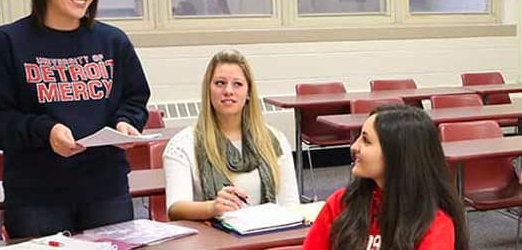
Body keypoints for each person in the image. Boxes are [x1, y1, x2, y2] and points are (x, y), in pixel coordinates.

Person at [0, 0, 151, 237]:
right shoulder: (6, 43)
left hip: (106, 189)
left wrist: (126, 123)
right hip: (37, 196)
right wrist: (46, 131)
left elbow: (135, 99)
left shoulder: (113, 41)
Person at [303, 105, 468, 250]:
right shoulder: (341, 203)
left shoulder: (434, 223)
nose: (354, 147)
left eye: (366, 141)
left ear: (397, 155)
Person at [163, 49, 299, 220]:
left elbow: (290, 204)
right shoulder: (182, 145)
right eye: (220, 83)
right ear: (208, 90)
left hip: (266, 236)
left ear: (248, 93)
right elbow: (175, 209)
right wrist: (212, 207)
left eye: (237, 84)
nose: (228, 91)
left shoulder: (274, 140)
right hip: (212, 240)